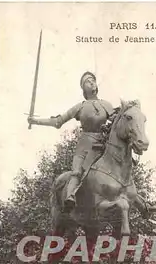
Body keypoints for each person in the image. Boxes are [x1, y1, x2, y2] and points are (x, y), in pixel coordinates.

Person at [28, 72, 115, 211]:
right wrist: (36, 121)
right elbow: (58, 121)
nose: (92, 83)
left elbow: (118, 122)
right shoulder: (80, 107)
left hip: (103, 146)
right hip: (84, 146)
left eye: (93, 80)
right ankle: (70, 197)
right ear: (83, 89)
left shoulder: (107, 105)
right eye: (87, 82)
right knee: (77, 172)